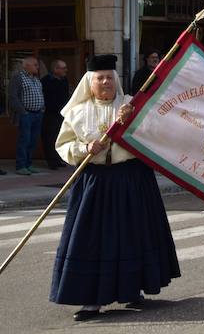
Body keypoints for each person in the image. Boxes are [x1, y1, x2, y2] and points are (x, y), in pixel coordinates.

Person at [51, 54, 179, 321]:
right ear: (90, 82)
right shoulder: (76, 112)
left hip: (132, 178)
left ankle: (133, 290)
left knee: (133, 235)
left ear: (116, 80)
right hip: (94, 181)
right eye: (100, 78)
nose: (105, 82)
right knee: (92, 240)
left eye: (109, 77)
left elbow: (154, 134)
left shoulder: (131, 105)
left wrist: (132, 120)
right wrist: (85, 148)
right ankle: (91, 300)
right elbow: (62, 146)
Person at [10, 56, 45, 176]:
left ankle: (29, 164)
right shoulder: (18, 78)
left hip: (38, 114)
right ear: (26, 66)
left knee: (33, 141)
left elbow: (40, 94)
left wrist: (42, 108)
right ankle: (21, 166)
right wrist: (23, 111)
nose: (37, 67)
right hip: (26, 114)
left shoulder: (35, 79)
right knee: (24, 140)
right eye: (35, 64)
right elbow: (13, 97)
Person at [40, 59, 69, 170]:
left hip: (62, 114)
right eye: (63, 68)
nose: (66, 70)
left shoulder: (64, 80)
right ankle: (51, 161)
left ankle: (58, 159)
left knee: (60, 137)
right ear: (55, 69)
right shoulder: (46, 81)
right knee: (49, 138)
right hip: (49, 114)